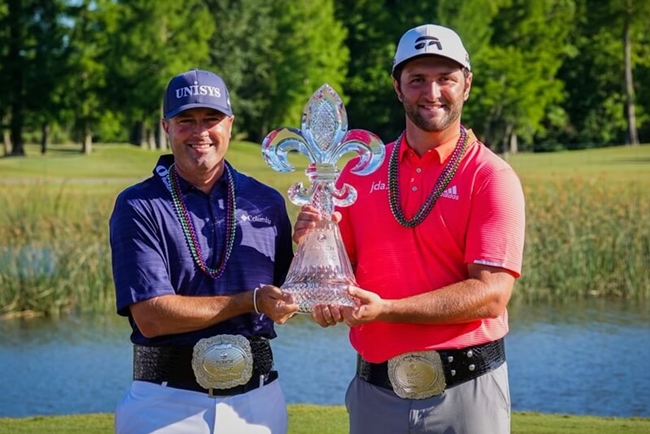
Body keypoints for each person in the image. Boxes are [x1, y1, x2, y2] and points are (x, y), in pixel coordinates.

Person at [293, 24, 526, 434]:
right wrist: (313, 250)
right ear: (398, 87)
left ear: (467, 85)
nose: (432, 92)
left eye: (446, 79)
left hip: (465, 391)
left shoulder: (491, 176)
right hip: (375, 392)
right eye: (417, 79)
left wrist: (387, 310)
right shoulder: (361, 170)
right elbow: (338, 277)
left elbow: (491, 294)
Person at [109, 68, 299, 434]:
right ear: (166, 126)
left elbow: (290, 298)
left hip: (258, 403)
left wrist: (316, 244)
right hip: (164, 404)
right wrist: (249, 301)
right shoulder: (139, 205)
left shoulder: (266, 201)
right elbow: (152, 316)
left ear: (230, 124)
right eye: (186, 121)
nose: (200, 132)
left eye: (211, 119)